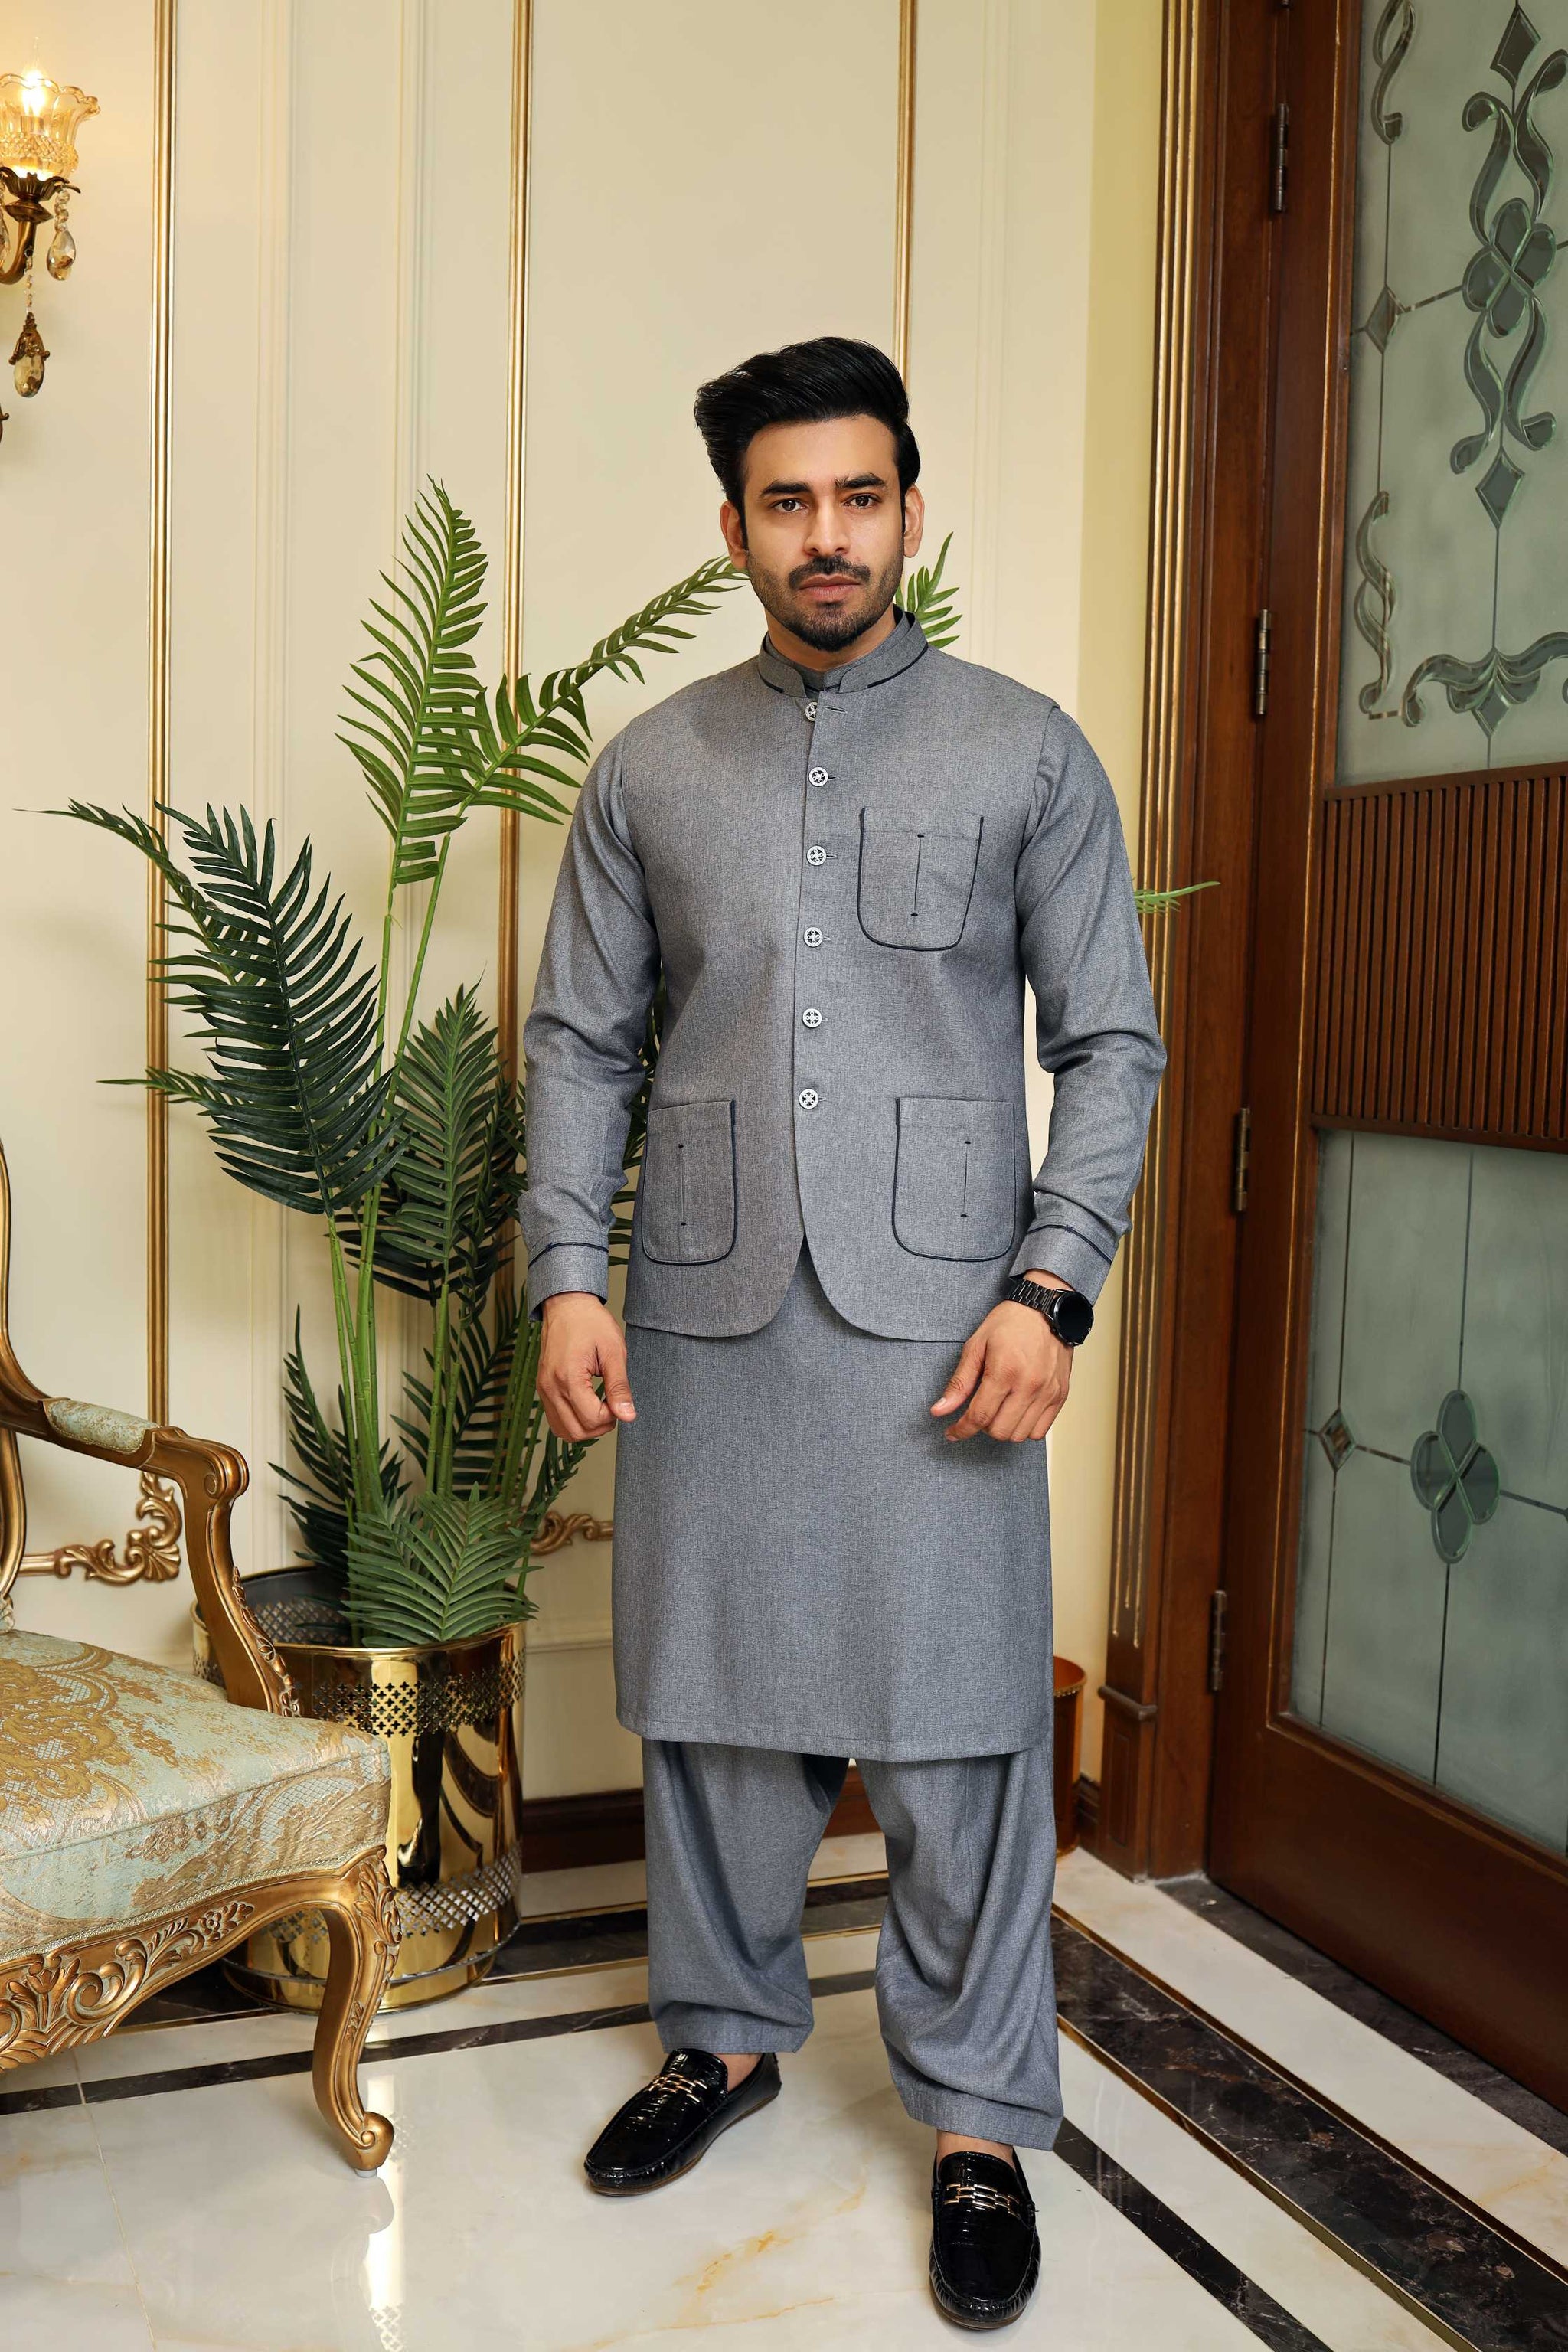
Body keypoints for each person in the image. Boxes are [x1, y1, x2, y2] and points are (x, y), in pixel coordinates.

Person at [519, 335, 1165, 2330]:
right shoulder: (650, 769)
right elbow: (581, 1041)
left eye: (859, 496)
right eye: (787, 501)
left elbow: (1113, 1043)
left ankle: (978, 2125)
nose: (828, 534)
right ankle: (722, 2041)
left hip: (951, 1325)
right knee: (712, 1703)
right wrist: (567, 1271)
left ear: (910, 510)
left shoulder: (1028, 751)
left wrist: (1053, 1285)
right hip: (708, 1309)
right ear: (733, 528)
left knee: (962, 1726)